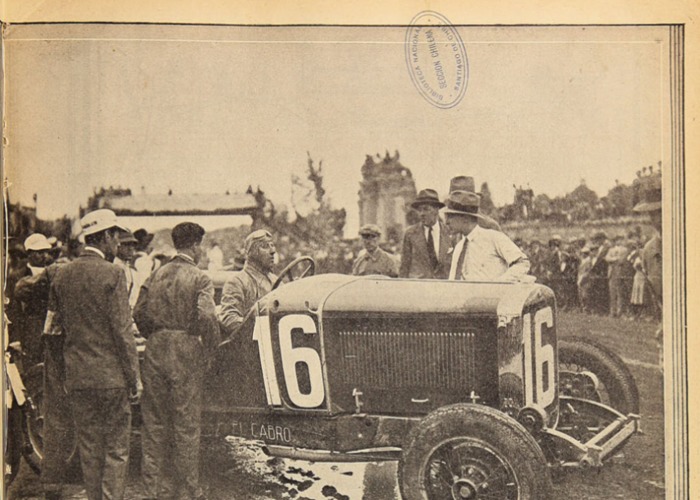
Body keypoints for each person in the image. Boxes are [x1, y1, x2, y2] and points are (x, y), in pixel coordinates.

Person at [44, 209, 141, 500]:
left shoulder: (61, 275)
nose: (118, 245)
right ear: (107, 237)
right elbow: (123, 333)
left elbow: (51, 332)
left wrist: (64, 374)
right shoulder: (114, 274)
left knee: (89, 449)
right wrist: (134, 378)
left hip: (78, 379)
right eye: (116, 238)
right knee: (116, 450)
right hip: (111, 380)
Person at [134, 222, 219, 500]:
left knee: (154, 423)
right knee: (186, 423)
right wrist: (208, 346)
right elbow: (207, 316)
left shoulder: (155, 274)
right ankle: (188, 490)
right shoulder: (199, 277)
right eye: (201, 245)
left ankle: (151, 489)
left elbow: (138, 312)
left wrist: (156, 334)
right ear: (195, 245)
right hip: (184, 349)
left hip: (156, 349)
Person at [445, 191, 530, 281]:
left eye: (450, 216)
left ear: (466, 218)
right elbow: (452, 283)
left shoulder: (494, 238)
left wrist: (500, 284)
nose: (447, 222)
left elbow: (522, 262)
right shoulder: (459, 248)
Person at [218, 229, 279, 335]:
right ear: (252, 253)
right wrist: (262, 330)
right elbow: (229, 319)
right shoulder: (237, 282)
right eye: (265, 246)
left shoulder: (276, 280)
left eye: (272, 245)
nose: (272, 250)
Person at [399, 189, 451, 279]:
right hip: (419, 288)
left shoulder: (450, 232)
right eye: (420, 210)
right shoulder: (410, 234)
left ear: (436, 210)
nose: (422, 214)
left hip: (443, 288)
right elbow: (404, 267)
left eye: (426, 209)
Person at [114, 229, 140, 308]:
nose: (130, 249)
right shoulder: (112, 267)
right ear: (117, 246)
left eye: (133, 245)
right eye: (126, 245)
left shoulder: (133, 271)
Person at [605, 235, 630, 317]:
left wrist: (613, 260)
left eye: (620, 239)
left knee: (619, 293)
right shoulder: (611, 249)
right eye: (617, 240)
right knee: (612, 293)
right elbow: (607, 258)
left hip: (620, 273)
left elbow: (621, 260)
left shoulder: (625, 250)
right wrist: (614, 259)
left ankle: (620, 311)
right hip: (612, 274)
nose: (618, 241)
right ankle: (613, 311)